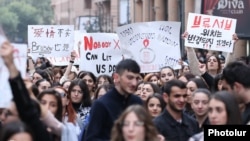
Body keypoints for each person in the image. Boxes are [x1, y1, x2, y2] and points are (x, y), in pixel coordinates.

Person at [83, 59, 143, 141]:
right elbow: (91, 138)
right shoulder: (101, 104)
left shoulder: (138, 102)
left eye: (137, 78)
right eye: (130, 78)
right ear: (116, 77)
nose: (134, 83)